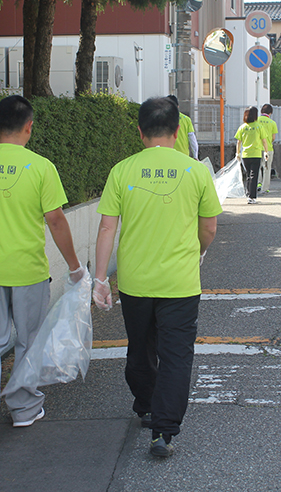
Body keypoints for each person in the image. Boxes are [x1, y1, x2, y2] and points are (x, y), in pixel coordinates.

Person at [92, 97, 221, 458]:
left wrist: (100, 278)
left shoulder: (122, 171)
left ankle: (145, 404)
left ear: (139, 131)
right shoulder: (195, 171)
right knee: (177, 355)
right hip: (180, 283)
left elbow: (106, 227)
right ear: (178, 130)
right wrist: (197, 252)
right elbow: (209, 226)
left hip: (134, 282)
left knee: (140, 346)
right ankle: (164, 432)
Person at [0, 95, 85, 448]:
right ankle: (24, 409)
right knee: (29, 341)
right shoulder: (40, 167)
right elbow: (56, 220)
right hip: (28, 270)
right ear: (29, 127)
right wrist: (74, 266)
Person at [235, 106, 268, 204]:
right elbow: (264, 141)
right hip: (256, 154)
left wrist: (238, 153)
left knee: (248, 175)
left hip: (245, 155)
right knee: (254, 175)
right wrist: (266, 152)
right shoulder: (259, 127)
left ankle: (248, 194)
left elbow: (238, 142)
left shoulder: (242, 127)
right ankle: (252, 196)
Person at [167, 95, 198, 159]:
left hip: (168, 156)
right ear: (178, 106)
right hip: (184, 156)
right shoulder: (186, 119)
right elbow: (193, 140)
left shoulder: (162, 119)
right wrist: (195, 156)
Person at [257, 104, 279, 194]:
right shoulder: (272, 123)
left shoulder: (256, 121)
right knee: (267, 167)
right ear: (270, 113)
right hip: (268, 148)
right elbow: (273, 138)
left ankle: (258, 183)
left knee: (257, 166)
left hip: (257, 147)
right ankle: (265, 188)